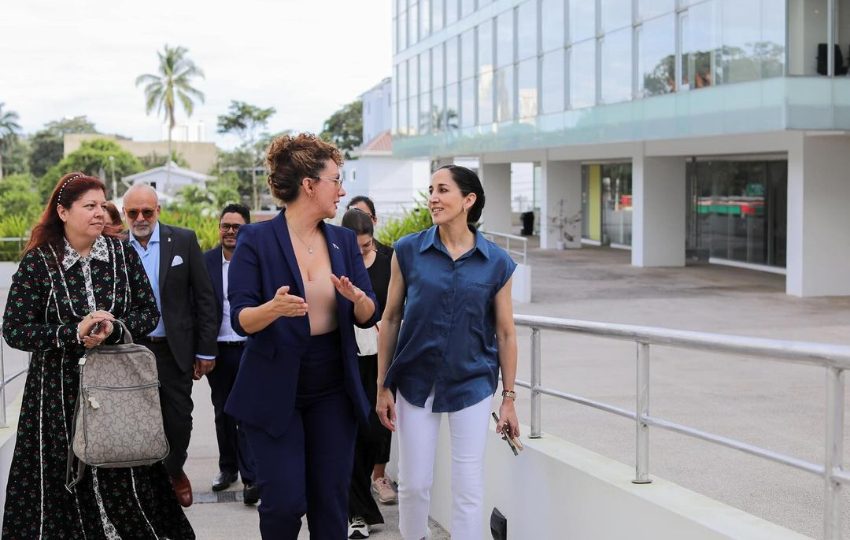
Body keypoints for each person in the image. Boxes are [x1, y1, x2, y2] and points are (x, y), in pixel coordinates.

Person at [1, 172, 195, 538]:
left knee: (125, 471)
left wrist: (113, 327)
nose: (99, 214)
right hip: (56, 399)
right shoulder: (39, 263)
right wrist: (72, 332)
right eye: (88, 207)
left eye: (101, 207)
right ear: (63, 212)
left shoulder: (122, 254)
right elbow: (15, 329)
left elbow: (147, 312)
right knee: (60, 486)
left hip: (119, 391)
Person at [225, 133, 378, 539]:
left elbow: (369, 314)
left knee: (330, 500)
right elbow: (241, 318)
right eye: (335, 180)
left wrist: (358, 297)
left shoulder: (345, 241)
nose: (342, 190)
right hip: (275, 388)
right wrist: (272, 309)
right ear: (309, 185)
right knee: (285, 503)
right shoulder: (255, 240)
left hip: (333, 387)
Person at [376, 165, 520, 540]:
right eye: (430, 190)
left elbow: (505, 333)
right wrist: (382, 387)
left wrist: (509, 399)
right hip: (414, 382)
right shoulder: (408, 250)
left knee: (468, 487)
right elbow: (390, 319)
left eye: (442, 190)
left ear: (468, 200)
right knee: (413, 484)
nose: (433, 198)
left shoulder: (497, 262)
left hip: (471, 382)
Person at [123, 183, 219, 508]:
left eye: (146, 211)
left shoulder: (183, 240)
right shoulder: (114, 247)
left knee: (178, 420)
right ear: (125, 214)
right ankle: (147, 485)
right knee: (136, 421)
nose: (140, 218)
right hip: (131, 351)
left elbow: (205, 297)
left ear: (158, 210)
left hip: (174, 349)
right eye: (132, 212)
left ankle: (175, 470)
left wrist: (206, 349)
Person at [341, 208, 395, 539]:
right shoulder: (336, 263)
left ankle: (364, 500)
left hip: (382, 358)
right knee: (353, 438)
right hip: (347, 359)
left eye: (366, 245)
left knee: (375, 434)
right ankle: (356, 513)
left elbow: (398, 307)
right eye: (356, 247)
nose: (361, 252)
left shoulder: (389, 261)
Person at [203, 203, 258, 504]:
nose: (230, 231)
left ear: (246, 229)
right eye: (226, 225)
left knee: (247, 412)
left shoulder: (256, 261)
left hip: (250, 348)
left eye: (236, 226)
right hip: (219, 349)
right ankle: (228, 469)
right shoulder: (206, 262)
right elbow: (198, 307)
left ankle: (252, 477)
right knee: (222, 411)